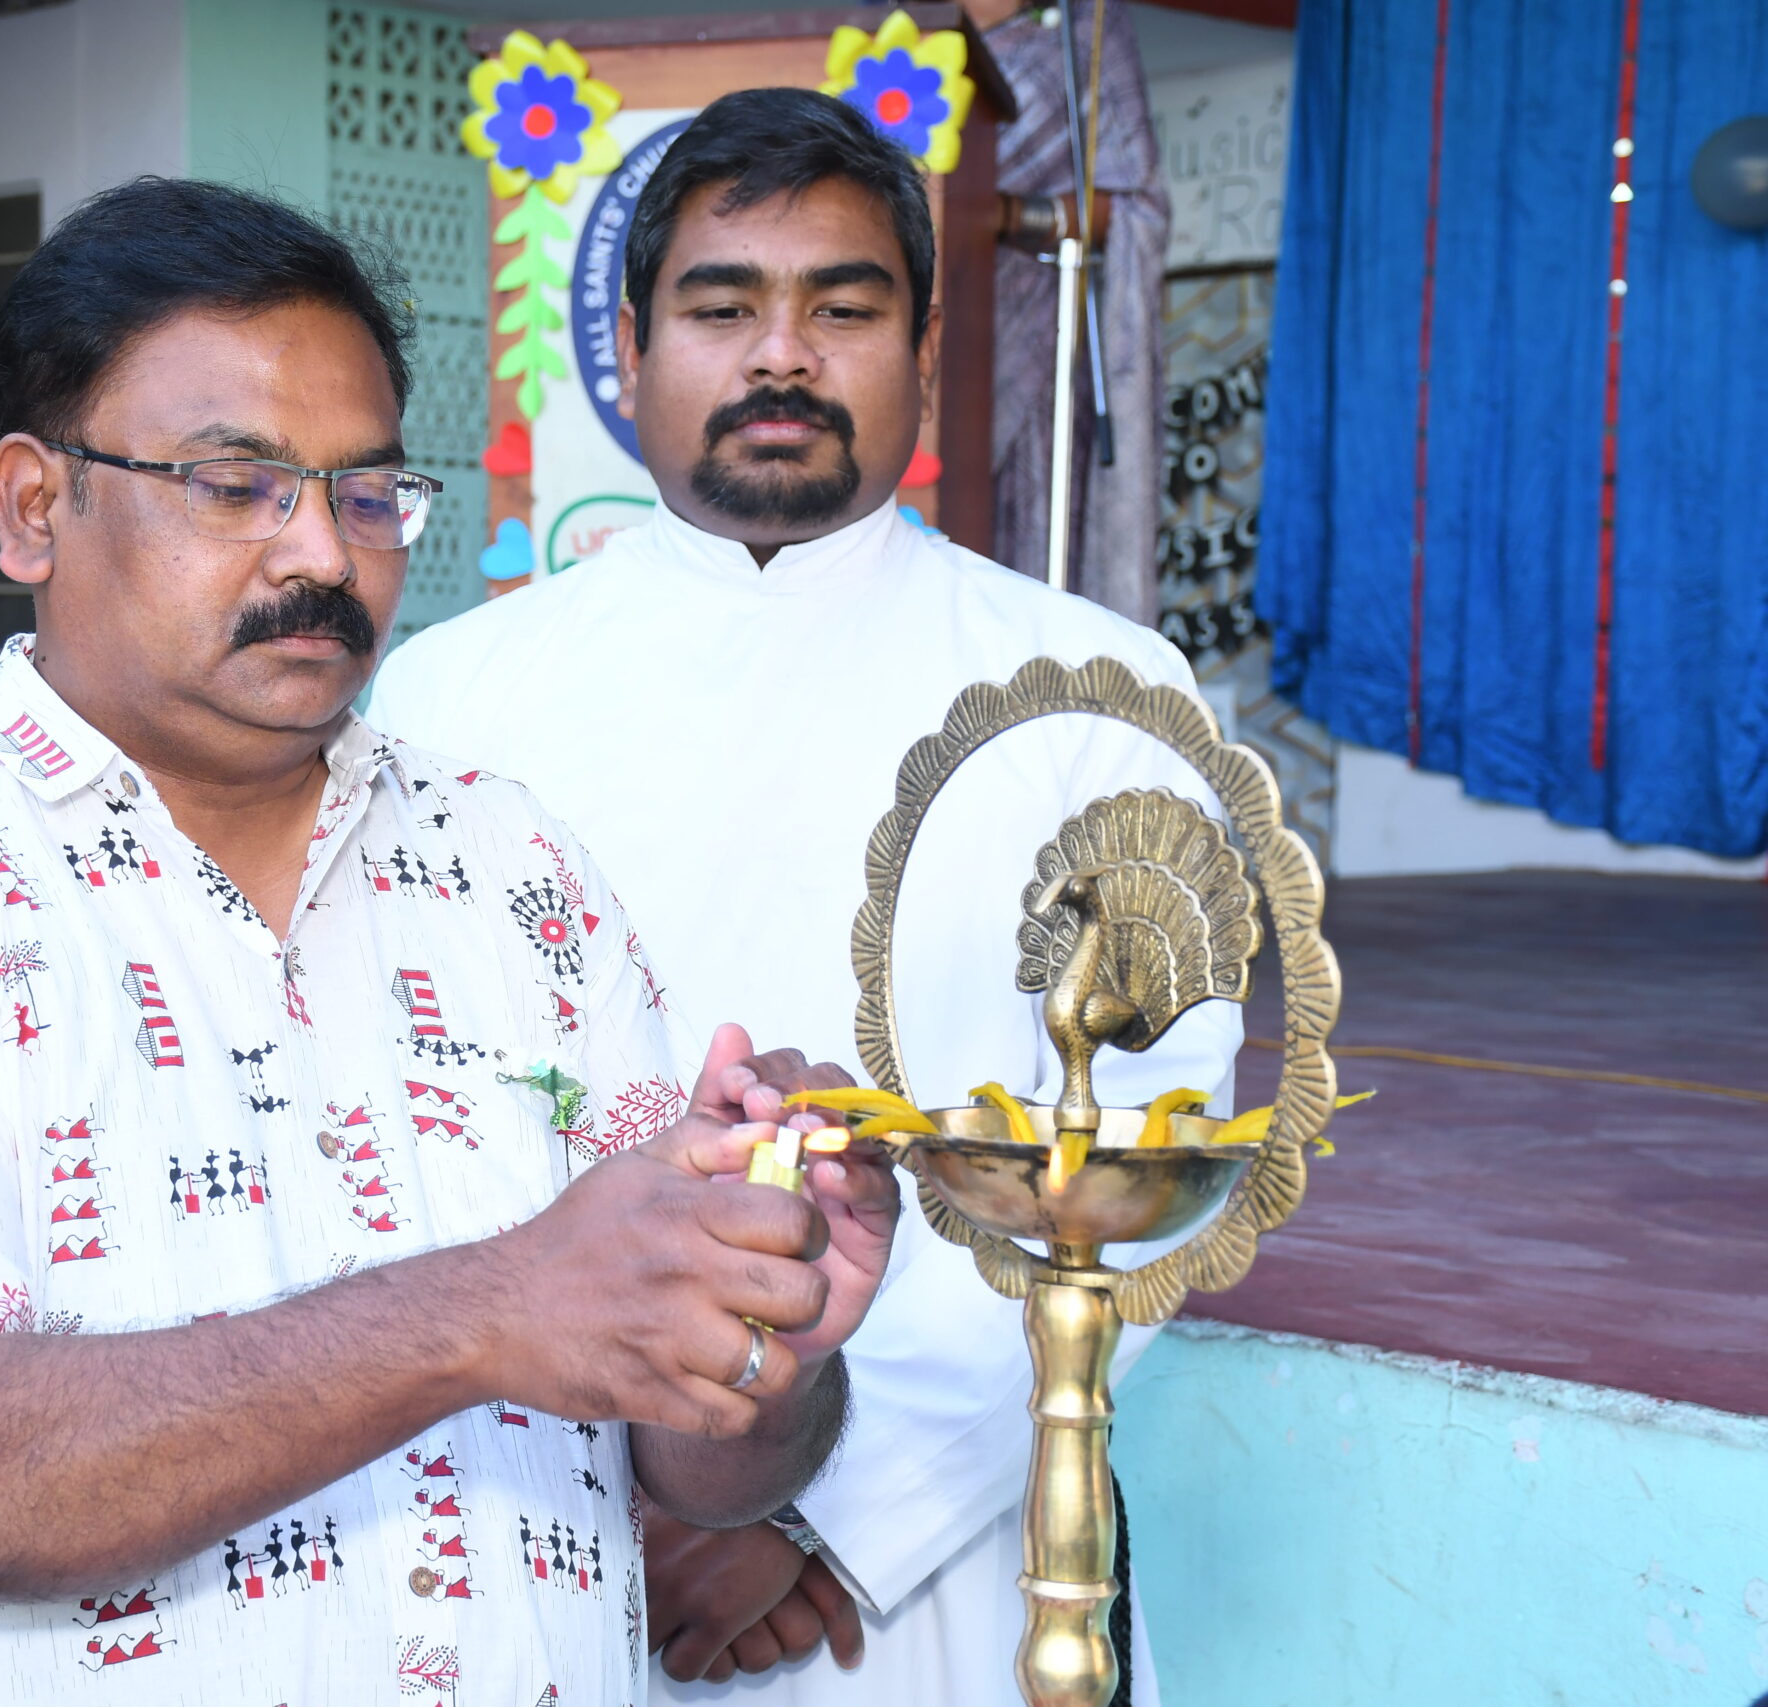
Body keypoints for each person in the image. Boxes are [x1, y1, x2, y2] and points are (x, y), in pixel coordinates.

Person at [0, 174, 902, 1705]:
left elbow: (695, 1469)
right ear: (35, 507)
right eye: (235, 484)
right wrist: (494, 1307)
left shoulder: (516, 874)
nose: (321, 556)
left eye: (364, 494)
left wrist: (769, 1330)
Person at [369, 89, 1241, 1705]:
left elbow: (1151, 1146)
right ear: (627, 348)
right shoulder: (445, 701)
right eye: (722, 309)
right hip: (540, 1524)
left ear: (926, 347)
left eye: (843, 309)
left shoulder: (1096, 693)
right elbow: (401, 1142)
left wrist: (824, 1517)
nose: (782, 357)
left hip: (922, 1570)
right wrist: (633, 1497)